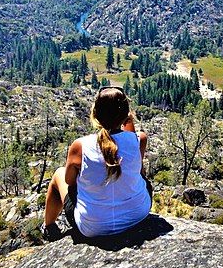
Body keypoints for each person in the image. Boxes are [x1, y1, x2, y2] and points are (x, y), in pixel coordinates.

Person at [41, 86, 152, 240]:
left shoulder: (80, 146)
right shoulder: (140, 139)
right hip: (137, 215)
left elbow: (69, 182)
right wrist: (127, 118)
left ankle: (49, 228)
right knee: (140, 177)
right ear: (127, 116)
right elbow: (137, 165)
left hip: (93, 227)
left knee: (59, 174)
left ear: (95, 115)